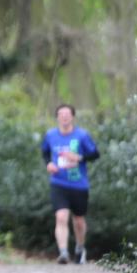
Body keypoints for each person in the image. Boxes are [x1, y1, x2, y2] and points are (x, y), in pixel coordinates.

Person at [40, 103, 99, 264]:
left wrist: (78, 158)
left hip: (79, 184)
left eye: (67, 114)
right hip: (58, 182)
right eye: (61, 114)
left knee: (78, 220)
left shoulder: (82, 135)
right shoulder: (50, 135)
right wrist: (48, 164)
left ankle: (80, 248)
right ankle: (64, 253)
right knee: (61, 216)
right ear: (57, 117)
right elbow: (45, 152)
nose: (64, 117)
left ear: (72, 117)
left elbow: (95, 154)